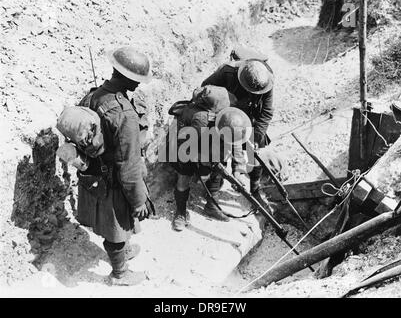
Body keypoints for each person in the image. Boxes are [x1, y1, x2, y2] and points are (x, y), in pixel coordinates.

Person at [76, 46, 154, 286]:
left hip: (94, 173)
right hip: (114, 180)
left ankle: (123, 253)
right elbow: (129, 166)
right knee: (116, 228)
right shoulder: (124, 114)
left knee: (117, 226)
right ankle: (119, 273)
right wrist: (139, 201)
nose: (139, 84)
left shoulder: (92, 95)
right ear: (128, 78)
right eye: (136, 80)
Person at [201, 58, 284, 206]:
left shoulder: (266, 82)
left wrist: (258, 137)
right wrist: (220, 108)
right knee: (220, 155)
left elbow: (266, 112)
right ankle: (212, 198)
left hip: (247, 121)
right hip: (224, 118)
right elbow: (206, 89)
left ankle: (255, 190)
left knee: (255, 155)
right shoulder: (227, 73)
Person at [168, 85, 251, 231]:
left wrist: (238, 169)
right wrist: (202, 159)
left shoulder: (231, 112)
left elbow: (236, 139)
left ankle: (211, 206)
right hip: (186, 143)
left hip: (210, 138)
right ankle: (180, 212)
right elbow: (185, 146)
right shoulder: (198, 118)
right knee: (184, 176)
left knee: (219, 165)